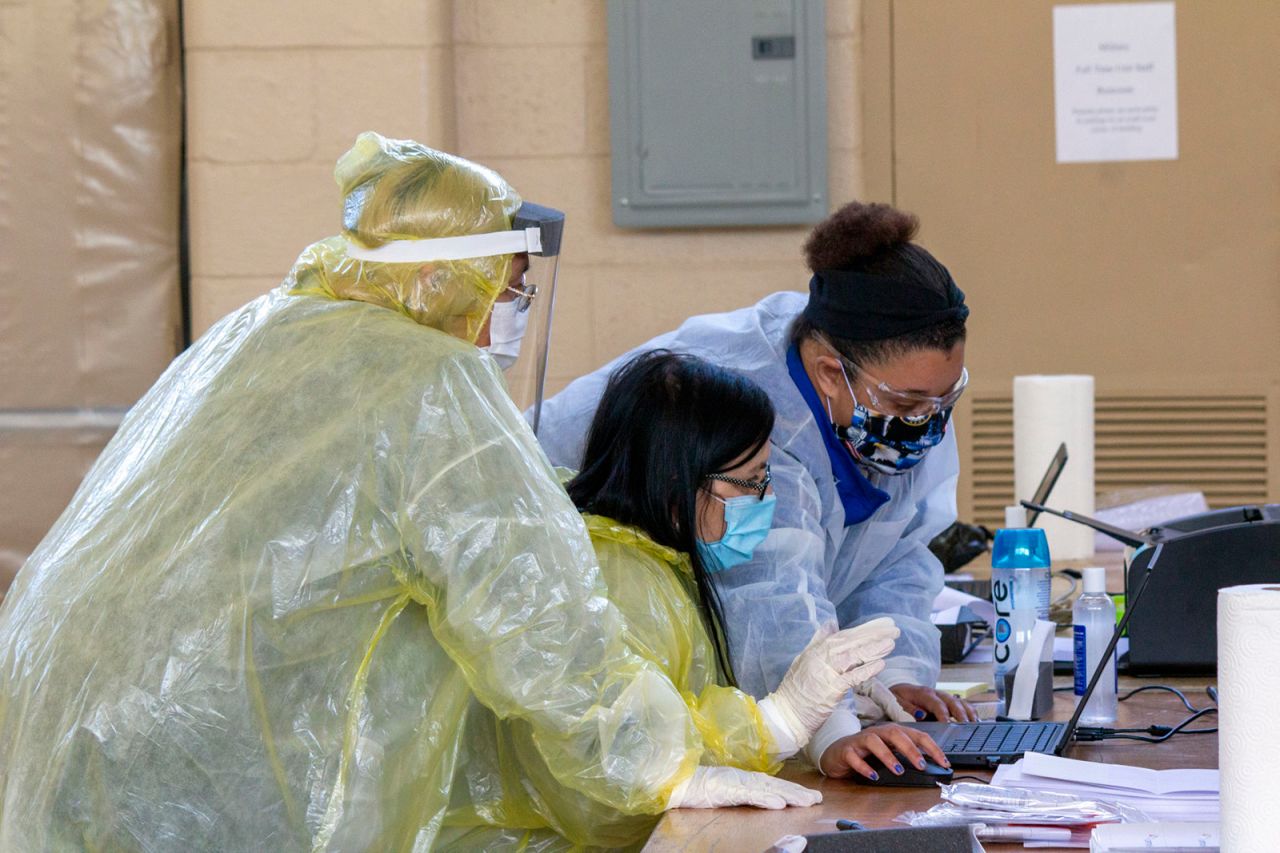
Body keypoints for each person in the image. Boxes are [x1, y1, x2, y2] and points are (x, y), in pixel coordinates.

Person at [0, 134, 894, 851]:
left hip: (64, 720)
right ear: (443, 277)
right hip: (193, 756)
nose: (513, 312)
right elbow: (529, 604)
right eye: (508, 288)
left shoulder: (262, 332)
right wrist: (666, 760)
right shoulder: (423, 377)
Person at [535, 201, 978, 781]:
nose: (926, 422)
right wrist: (830, 731)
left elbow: (895, 551)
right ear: (827, 373)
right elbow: (766, 597)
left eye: (942, 401)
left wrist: (891, 678)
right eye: (907, 405)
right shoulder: (756, 418)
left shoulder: (885, 395)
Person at [441, 350, 910, 849]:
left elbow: (667, 715)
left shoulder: (653, 565)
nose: (766, 498)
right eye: (751, 480)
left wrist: (818, 716)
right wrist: (778, 721)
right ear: (675, 481)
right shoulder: (618, 579)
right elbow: (610, 774)